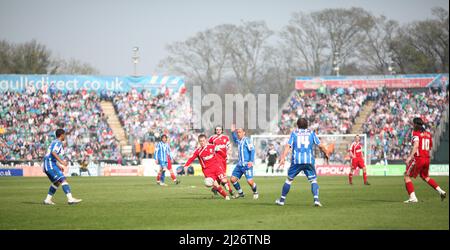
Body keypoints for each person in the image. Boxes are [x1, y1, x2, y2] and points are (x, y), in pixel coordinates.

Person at [275, 118, 329, 207]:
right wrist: (326, 152)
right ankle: (316, 200)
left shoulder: (294, 133)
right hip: (308, 161)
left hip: (297, 161)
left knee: (289, 180)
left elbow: (288, 146)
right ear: (307, 124)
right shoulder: (311, 133)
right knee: (313, 180)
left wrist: (283, 158)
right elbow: (320, 145)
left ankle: (281, 200)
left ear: (297, 124)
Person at [403, 117, 446, 203]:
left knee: (406, 176)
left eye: (413, 123)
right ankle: (441, 191)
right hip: (427, 158)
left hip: (418, 158)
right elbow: (430, 146)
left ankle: (413, 198)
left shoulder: (415, 133)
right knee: (425, 177)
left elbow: (416, 145)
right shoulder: (428, 134)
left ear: (415, 124)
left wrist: (410, 157)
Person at [183, 134, 233, 200]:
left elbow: (220, 151)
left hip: (216, 167)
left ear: (206, 140)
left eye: (203, 140)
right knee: (215, 184)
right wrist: (186, 165)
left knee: (224, 180)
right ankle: (226, 196)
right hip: (207, 171)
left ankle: (225, 184)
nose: (202, 142)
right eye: (200, 141)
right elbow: (191, 158)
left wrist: (226, 156)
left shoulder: (212, 146)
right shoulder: (198, 151)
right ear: (199, 142)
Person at [42, 129, 82, 205]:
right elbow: (53, 152)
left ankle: (47, 200)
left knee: (56, 182)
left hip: (49, 164)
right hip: (50, 164)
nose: (65, 136)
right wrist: (62, 162)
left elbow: (50, 155)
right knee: (63, 179)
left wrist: (58, 165)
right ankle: (70, 199)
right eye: (64, 134)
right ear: (61, 135)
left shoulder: (54, 142)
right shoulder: (58, 143)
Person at [230, 124, 258, 199]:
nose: (238, 133)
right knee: (232, 179)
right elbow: (234, 138)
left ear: (244, 133)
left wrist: (251, 161)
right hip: (239, 165)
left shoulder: (247, 140)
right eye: (237, 132)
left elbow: (252, 150)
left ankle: (255, 191)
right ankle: (241, 193)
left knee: (250, 182)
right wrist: (233, 132)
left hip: (247, 165)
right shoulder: (239, 141)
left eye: (240, 132)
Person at [208, 125, 232, 194]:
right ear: (215, 130)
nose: (218, 131)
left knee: (221, 175)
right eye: (217, 129)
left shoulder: (226, 138)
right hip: (216, 159)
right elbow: (208, 147)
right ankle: (230, 191)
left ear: (222, 130)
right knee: (223, 175)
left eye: (219, 129)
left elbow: (229, 146)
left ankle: (215, 188)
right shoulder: (212, 138)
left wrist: (228, 154)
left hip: (223, 159)